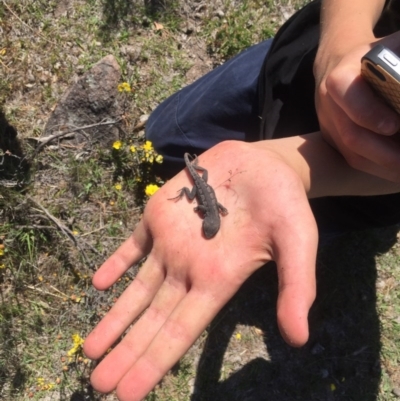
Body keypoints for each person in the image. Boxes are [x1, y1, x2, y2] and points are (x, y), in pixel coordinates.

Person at [83, 1, 400, 400]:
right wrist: (338, 46)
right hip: (292, 63)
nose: (210, 226)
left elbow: (208, 205)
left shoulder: (208, 211)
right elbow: (205, 197)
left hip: (348, 188)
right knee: (164, 134)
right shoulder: (205, 205)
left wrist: (283, 166)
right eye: (210, 226)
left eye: (209, 227)